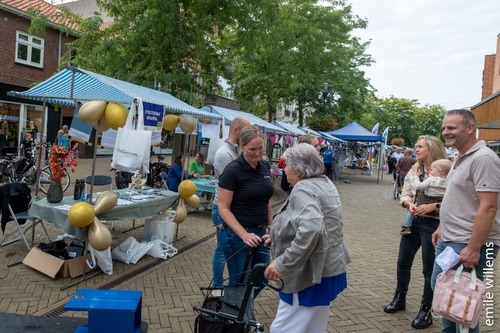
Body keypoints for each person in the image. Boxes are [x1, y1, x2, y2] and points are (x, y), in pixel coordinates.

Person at [264, 143, 351, 333]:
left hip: (308, 276)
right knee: (314, 328)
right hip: (329, 269)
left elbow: (312, 228)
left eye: (286, 165)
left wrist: (282, 264)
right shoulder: (324, 182)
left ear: (298, 168)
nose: (284, 169)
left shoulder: (303, 188)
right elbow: (322, 222)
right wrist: (277, 235)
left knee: (282, 329)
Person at [431, 109, 500, 333]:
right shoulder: (461, 156)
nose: (445, 132)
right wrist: (442, 226)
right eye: (444, 128)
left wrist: (473, 248)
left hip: (467, 243)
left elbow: (489, 206)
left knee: (462, 303)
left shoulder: (484, 159)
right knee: (447, 297)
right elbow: (458, 197)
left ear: (470, 128)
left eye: (451, 128)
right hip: (451, 239)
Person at [383, 135, 448, 330]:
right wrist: (408, 203)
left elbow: (456, 200)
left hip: (434, 225)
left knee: (429, 270)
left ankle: (426, 309)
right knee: (403, 261)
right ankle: (399, 297)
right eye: (416, 147)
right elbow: (406, 193)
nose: (416, 149)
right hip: (412, 221)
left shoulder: (446, 171)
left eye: (420, 147)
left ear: (432, 148)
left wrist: (434, 207)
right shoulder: (415, 169)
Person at [218, 125, 273, 294]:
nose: (257, 153)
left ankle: (239, 312)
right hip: (238, 236)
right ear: (241, 147)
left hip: (261, 233)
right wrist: (244, 234)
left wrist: (271, 227)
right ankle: (237, 316)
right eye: (252, 149)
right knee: (240, 282)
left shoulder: (264, 166)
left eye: (260, 148)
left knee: (263, 278)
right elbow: (223, 208)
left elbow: (267, 200)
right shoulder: (233, 170)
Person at [211, 116, 251, 289]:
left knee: (228, 249)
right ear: (236, 130)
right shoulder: (224, 154)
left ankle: (224, 288)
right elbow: (235, 182)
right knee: (222, 250)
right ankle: (217, 288)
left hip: (232, 208)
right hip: (223, 208)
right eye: (246, 131)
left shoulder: (235, 151)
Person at [400, 158, 452, 235]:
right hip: (438, 214)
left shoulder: (431, 179)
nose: (430, 172)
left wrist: (415, 177)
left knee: (413, 209)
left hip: (425, 202)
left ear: (440, 171)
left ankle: (407, 226)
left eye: (432, 170)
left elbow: (419, 186)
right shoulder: (449, 182)